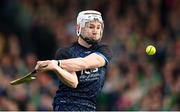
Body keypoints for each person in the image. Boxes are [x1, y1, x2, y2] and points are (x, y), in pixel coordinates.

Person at [35, 10, 112, 111]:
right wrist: (56, 68)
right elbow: (73, 82)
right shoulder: (65, 52)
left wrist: (57, 63)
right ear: (79, 28)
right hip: (66, 104)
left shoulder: (103, 50)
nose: (95, 31)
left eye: (98, 27)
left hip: (90, 106)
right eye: (91, 27)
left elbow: (85, 63)